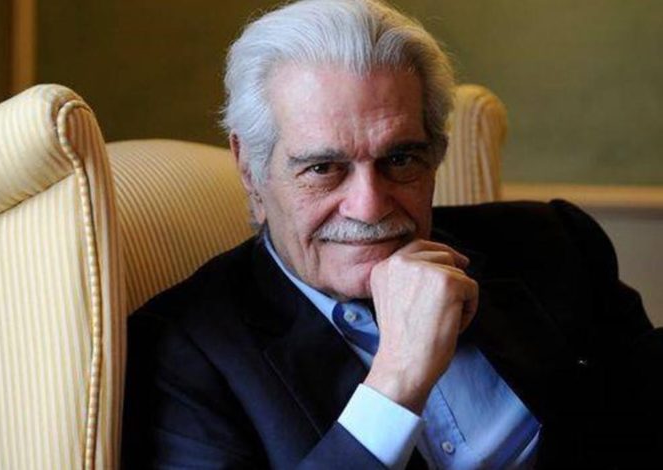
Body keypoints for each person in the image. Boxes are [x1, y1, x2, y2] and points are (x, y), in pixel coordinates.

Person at [122, 0, 662, 468]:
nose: (369, 206)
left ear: (435, 155)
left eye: (400, 159)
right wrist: (397, 380)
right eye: (322, 168)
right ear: (250, 169)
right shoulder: (183, 353)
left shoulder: (554, 245)